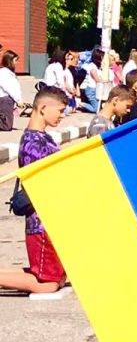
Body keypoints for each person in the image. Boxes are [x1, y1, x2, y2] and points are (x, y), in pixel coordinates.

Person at [0, 87, 71, 298]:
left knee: (54, 277)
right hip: (41, 222)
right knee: (47, 283)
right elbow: (46, 182)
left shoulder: (41, 138)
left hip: (47, 221)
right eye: (59, 110)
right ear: (43, 108)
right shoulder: (34, 143)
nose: (62, 115)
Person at [0, 49, 22, 131]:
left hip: (8, 100)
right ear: (9, 61)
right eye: (15, 60)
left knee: (7, 124)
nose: (16, 63)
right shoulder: (4, 73)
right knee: (6, 127)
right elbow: (10, 88)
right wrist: (19, 100)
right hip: (5, 100)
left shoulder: (8, 72)